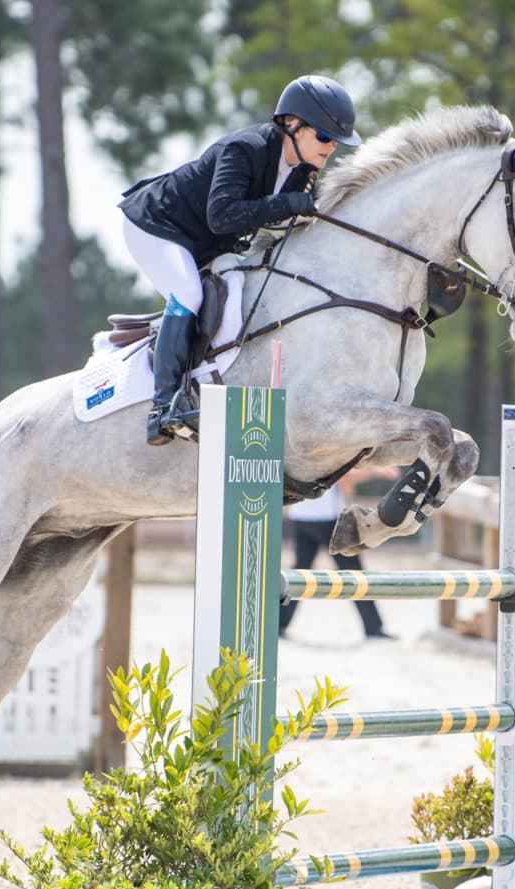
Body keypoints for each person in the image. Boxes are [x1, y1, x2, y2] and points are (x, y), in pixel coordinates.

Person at [120, 74, 361, 445]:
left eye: (337, 142)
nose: (331, 149)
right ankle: (163, 406)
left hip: (205, 241)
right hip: (157, 224)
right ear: (293, 124)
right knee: (187, 292)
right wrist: (286, 205)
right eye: (325, 137)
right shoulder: (244, 148)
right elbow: (222, 215)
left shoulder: (303, 173)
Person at [279, 469, 395, 642]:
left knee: (299, 573)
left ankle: (279, 623)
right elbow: (346, 480)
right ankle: (373, 627)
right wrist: (378, 473)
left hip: (300, 517)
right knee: (354, 572)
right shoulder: (330, 452)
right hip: (328, 518)